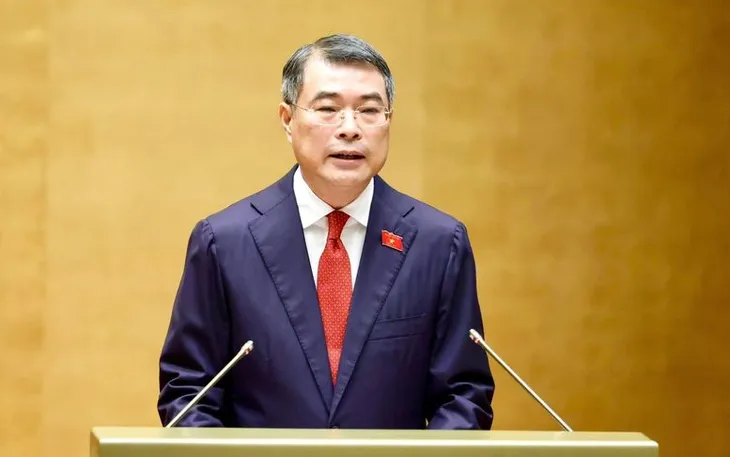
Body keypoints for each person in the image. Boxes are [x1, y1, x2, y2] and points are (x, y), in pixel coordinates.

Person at [157, 33, 495, 429]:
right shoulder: (225, 243)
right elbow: (188, 394)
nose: (350, 128)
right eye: (329, 109)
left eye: (369, 110)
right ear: (288, 120)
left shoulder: (437, 243)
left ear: (389, 121)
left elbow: (464, 396)